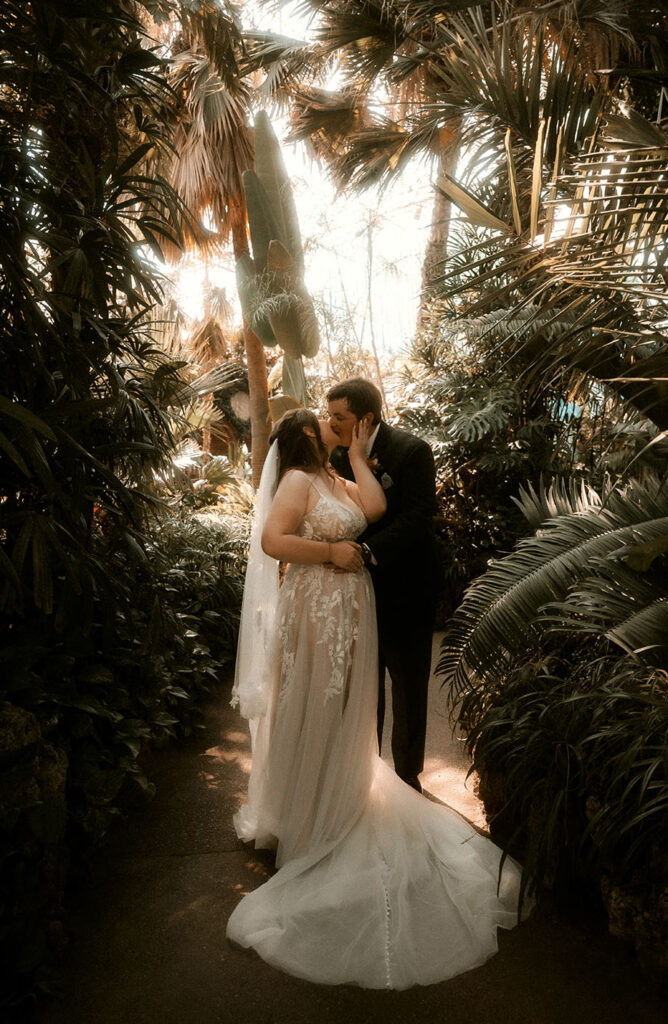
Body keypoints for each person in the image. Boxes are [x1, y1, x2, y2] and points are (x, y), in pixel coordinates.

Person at [227, 408, 528, 990]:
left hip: (347, 610)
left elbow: (375, 510)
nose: (333, 427)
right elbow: (272, 540)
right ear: (307, 438)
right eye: (325, 423)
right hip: (316, 609)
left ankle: (336, 796)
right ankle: (307, 817)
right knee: (316, 704)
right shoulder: (295, 479)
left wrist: (360, 459)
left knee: (345, 713)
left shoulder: (334, 478)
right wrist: (330, 554)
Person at [327, 377, 439, 792]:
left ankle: (407, 778)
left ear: (365, 419)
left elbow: (417, 516)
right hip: (355, 589)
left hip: (408, 587)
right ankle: (366, 776)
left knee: (408, 685)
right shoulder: (337, 456)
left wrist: (367, 551)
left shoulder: (412, 451)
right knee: (364, 684)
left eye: (340, 416)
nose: (332, 422)